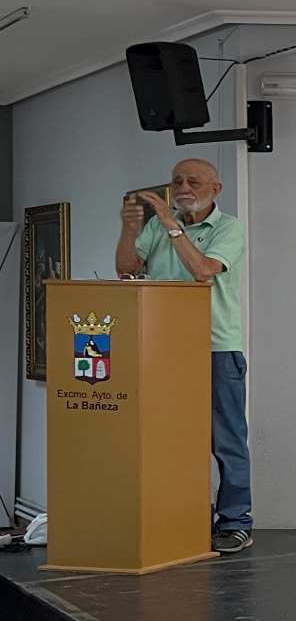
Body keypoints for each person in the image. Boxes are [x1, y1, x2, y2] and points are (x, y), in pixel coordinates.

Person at [116, 158, 253, 553]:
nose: (183, 189)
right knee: (171, 438)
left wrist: (169, 223)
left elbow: (203, 270)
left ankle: (236, 522)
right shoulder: (157, 227)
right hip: (164, 350)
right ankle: (183, 518)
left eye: (193, 181)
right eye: (177, 181)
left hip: (215, 349)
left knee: (226, 441)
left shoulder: (229, 228)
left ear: (216, 189)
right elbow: (126, 269)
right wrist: (130, 229)